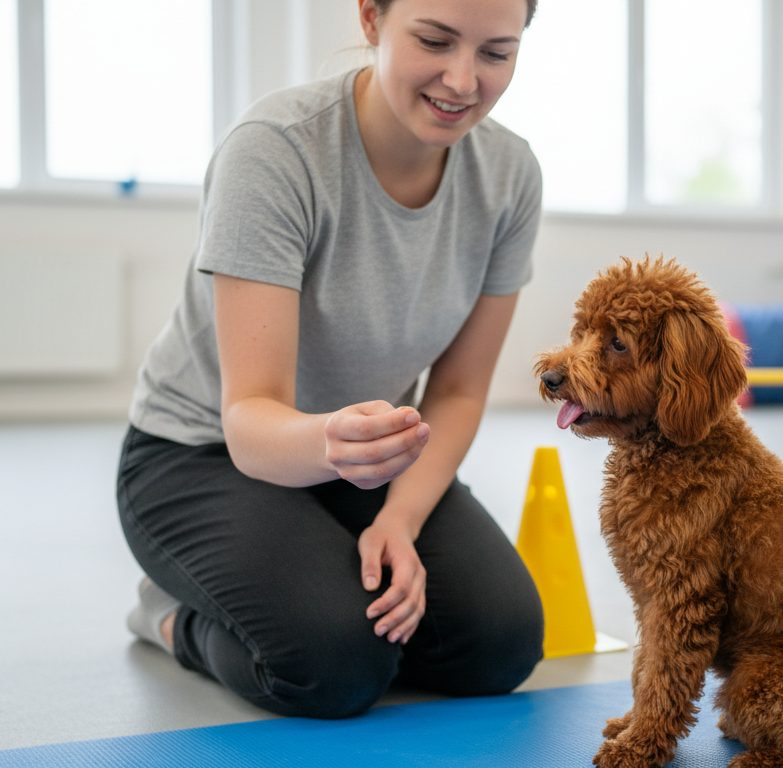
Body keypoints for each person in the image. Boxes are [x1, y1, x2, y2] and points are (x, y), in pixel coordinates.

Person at [116, 0, 543, 719]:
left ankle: (319, 567)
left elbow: (462, 391)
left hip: (361, 459)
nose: (463, 80)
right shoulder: (276, 150)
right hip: (202, 453)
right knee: (336, 663)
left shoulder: (509, 175)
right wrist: (331, 444)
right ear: (372, 19)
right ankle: (170, 618)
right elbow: (251, 416)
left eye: (497, 53)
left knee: (499, 644)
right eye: (434, 41)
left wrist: (400, 520)